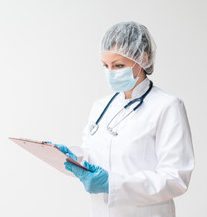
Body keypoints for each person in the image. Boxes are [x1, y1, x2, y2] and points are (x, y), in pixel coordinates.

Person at [50, 21, 195, 217]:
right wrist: (74, 157)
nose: (111, 72)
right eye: (106, 65)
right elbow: (96, 154)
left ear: (142, 58)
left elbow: (175, 178)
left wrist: (113, 184)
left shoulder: (167, 106)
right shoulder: (100, 107)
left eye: (119, 65)